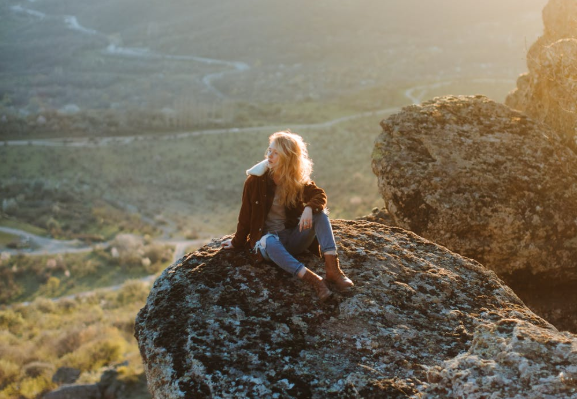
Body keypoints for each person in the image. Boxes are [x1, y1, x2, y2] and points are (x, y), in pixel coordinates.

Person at [221, 131, 354, 301]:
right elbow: (245, 216)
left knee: (320, 215)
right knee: (269, 240)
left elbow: (319, 195)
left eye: (276, 153)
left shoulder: (296, 178)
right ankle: (315, 281)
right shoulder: (255, 181)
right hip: (269, 245)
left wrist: (309, 208)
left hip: (292, 238)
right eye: (269, 150)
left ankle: (333, 270)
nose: (270, 155)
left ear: (288, 157)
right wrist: (236, 242)